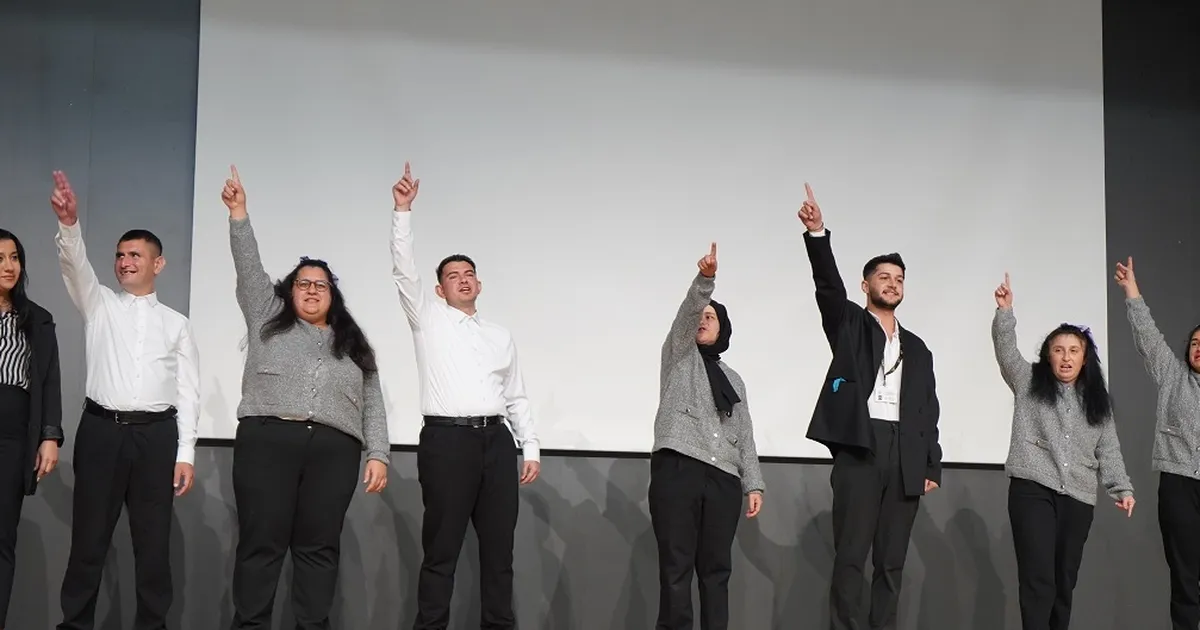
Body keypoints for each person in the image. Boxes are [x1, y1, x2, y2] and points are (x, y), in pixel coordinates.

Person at [219, 166, 391, 629]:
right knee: (261, 544)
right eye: (303, 283)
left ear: (332, 295)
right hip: (267, 440)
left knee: (319, 548)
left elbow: (372, 400)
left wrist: (378, 453)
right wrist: (239, 214)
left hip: (335, 451)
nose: (312, 290)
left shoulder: (353, 343)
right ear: (288, 290)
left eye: (321, 284)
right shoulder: (266, 315)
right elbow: (248, 266)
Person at [389, 163, 540, 630]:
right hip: (447, 442)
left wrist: (530, 446)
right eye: (453, 275)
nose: (463, 279)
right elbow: (403, 271)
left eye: (470, 273)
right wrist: (402, 211)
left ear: (479, 283)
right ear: (439, 289)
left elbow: (515, 394)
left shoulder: (499, 334)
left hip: (497, 443)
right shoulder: (428, 319)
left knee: (499, 554)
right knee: (441, 551)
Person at [49, 170, 199, 630]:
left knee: (152, 547)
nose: (125, 262)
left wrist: (186, 453)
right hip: (101, 432)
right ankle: (75, 625)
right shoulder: (98, 304)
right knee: (88, 542)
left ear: (158, 263)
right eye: (119, 255)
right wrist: (69, 225)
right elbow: (75, 265)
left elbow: (188, 390)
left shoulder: (177, 324)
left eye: (135, 255)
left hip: (156, 438)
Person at [797, 183, 942, 630]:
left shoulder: (919, 348)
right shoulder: (850, 325)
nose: (892, 284)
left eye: (899, 279)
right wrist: (818, 234)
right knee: (851, 557)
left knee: (892, 563)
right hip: (862, 446)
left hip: (906, 453)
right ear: (866, 285)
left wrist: (931, 464)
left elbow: (929, 410)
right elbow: (827, 287)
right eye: (884, 277)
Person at [992, 272, 1135, 630]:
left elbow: (1109, 448)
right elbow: (1006, 353)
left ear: (1084, 359)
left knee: (1063, 582)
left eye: (1074, 351)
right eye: (1058, 350)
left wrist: (1121, 488)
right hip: (1032, 490)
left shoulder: (1097, 401)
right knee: (1037, 578)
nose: (1066, 358)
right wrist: (1005, 313)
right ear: (1048, 356)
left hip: (1078, 497)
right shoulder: (1028, 381)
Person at [650, 242, 764, 630]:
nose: (703, 319)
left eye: (711, 317)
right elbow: (687, 314)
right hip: (678, 468)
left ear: (722, 328)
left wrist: (753, 483)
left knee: (717, 571)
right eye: (701, 314)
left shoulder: (734, 379)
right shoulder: (679, 355)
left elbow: (744, 433)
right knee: (676, 567)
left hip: (723, 480)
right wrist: (705, 281)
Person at [1114, 256, 1199, 630]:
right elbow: (1149, 338)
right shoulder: (1173, 376)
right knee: (1185, 577)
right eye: (1194, 342)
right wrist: (1132, 291)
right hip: (1179, 485)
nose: (1198, 347)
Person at [0, 228, 63, 630]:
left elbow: (49, 380)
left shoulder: (37, 319)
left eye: (14, 257)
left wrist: (49, 435)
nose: (9, 266)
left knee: (2, 537)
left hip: (12, 435)